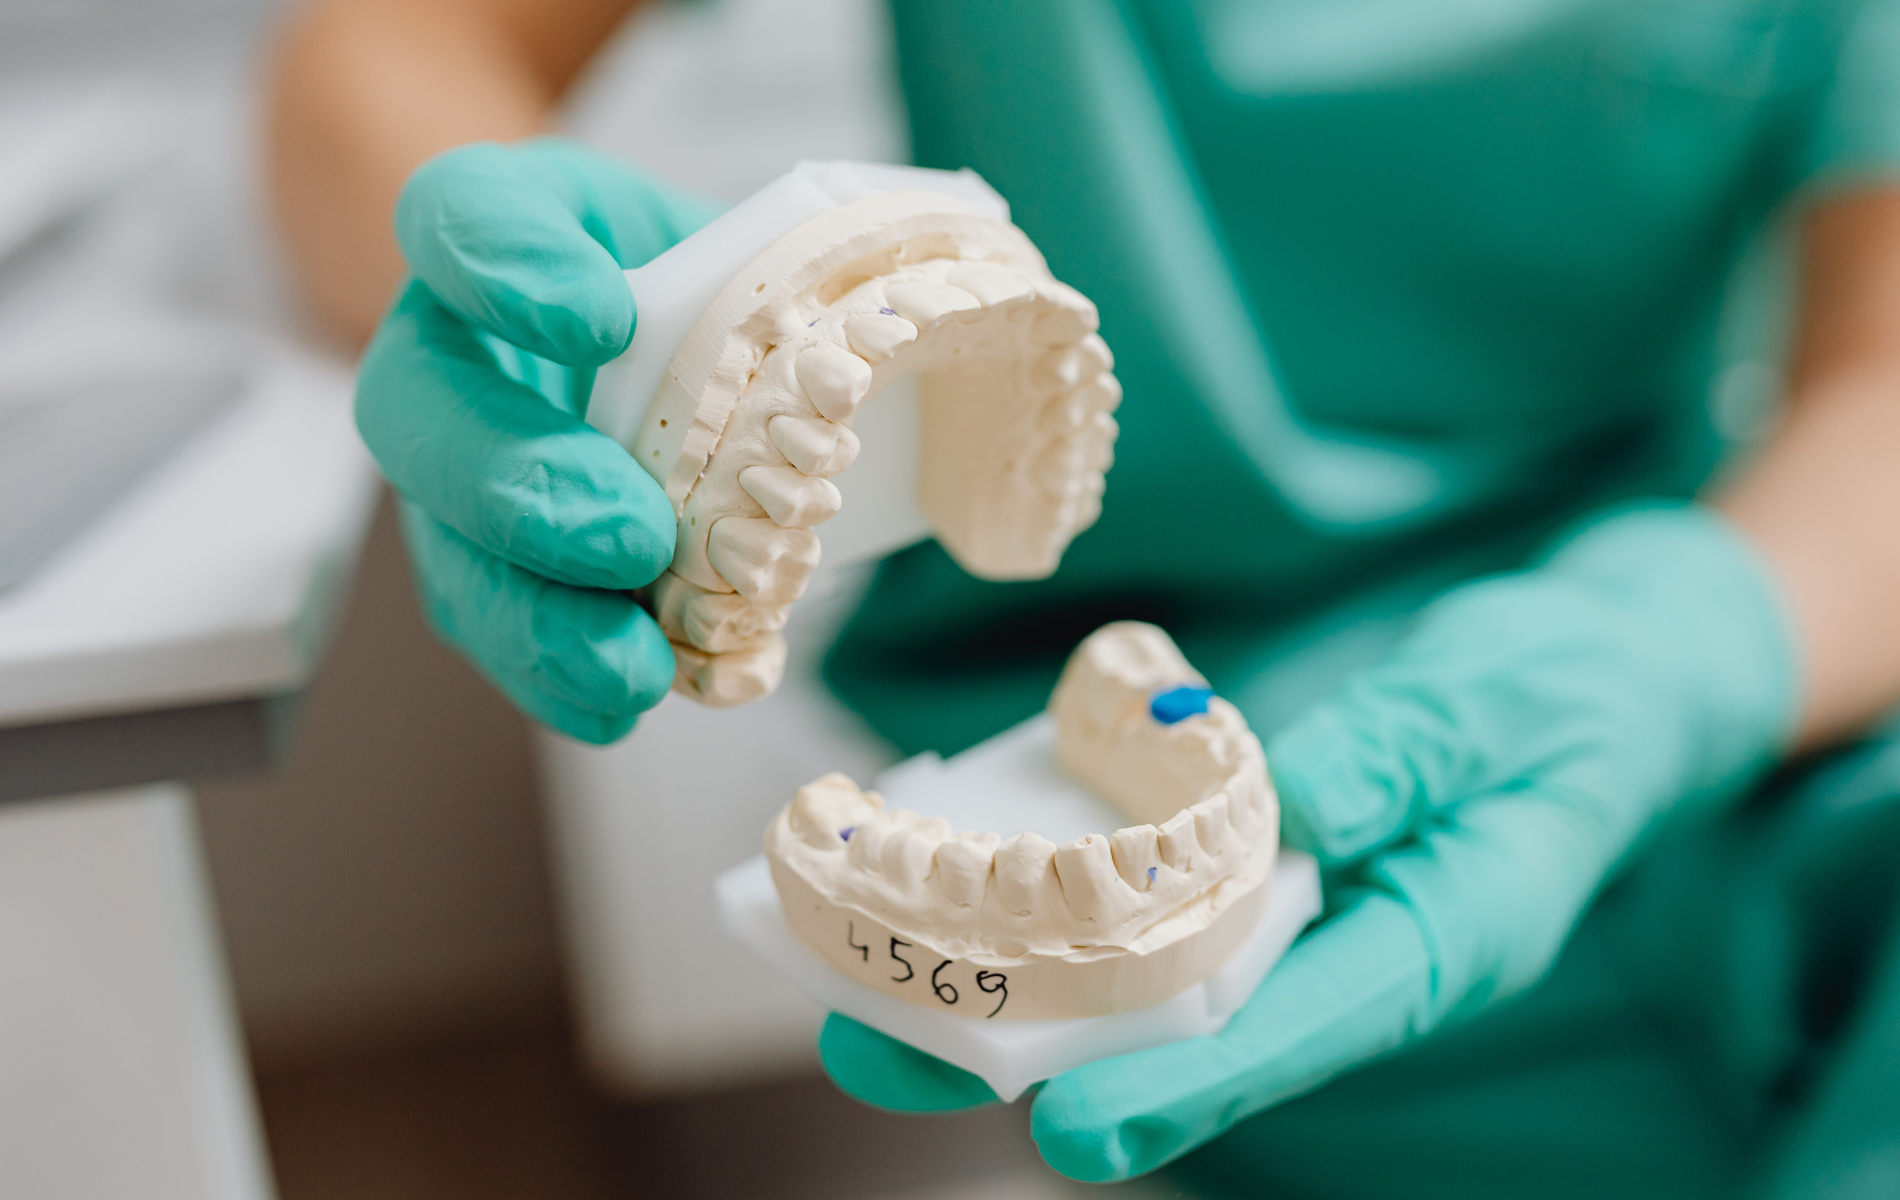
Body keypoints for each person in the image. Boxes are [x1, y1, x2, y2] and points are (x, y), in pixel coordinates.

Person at [269, 0, 1900, 1194]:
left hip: (1738, 706)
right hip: (1072, 797)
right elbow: (383, 52)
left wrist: (1683, 648)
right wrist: (529, 315)